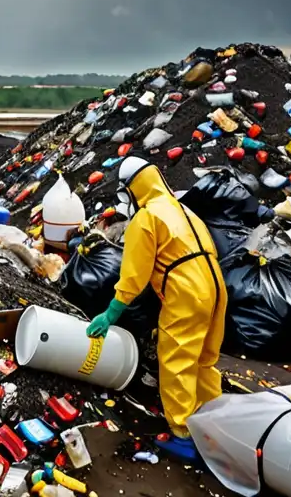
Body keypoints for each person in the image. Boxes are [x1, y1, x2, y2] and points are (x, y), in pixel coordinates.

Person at [86, 156, 226, 462]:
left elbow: (135, 273)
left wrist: (111, 313)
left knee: (176, 359)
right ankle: (215, 421)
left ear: (134, 189)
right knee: (203, 359)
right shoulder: (182, 209)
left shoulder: (147, 217)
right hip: (215, 286)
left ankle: (184, 435)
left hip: (186, 290)